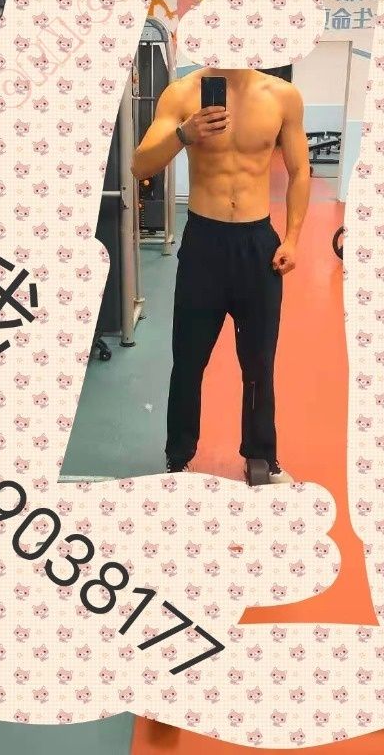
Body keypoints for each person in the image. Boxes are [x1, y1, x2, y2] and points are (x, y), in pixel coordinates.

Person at [131, 66, 310, 483]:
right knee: (188, 361)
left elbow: (300, 171)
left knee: (259, 362)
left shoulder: (283, 96)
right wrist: (184, 135)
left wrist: (292, 238)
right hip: (204, 245)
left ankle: (261, 458)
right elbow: (140, 166)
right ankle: (178, 457)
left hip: (257, 246)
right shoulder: (181, 93)